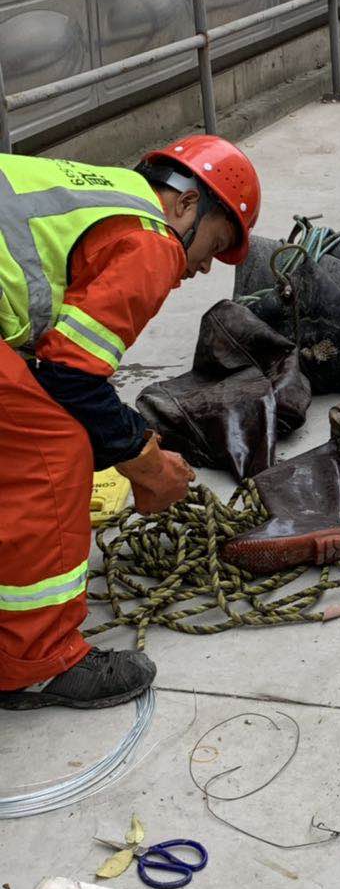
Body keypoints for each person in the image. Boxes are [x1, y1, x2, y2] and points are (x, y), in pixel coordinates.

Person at [0, 135, 261, 709]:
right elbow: (71, 380)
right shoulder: (151, 239)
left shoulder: (98, 195)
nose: (199, 269)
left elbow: (47, 367)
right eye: (213, 247)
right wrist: (147, 466)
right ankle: (37, 662)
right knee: (51, 453)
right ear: (187, 205)